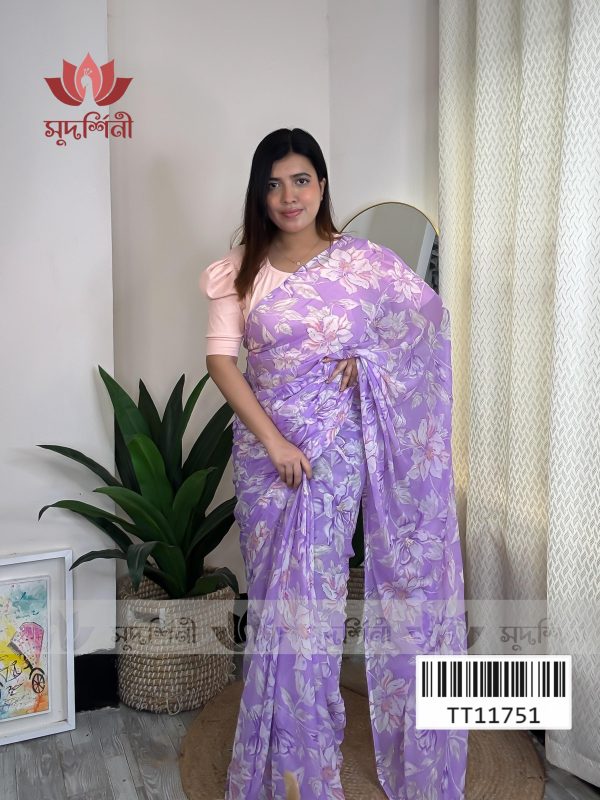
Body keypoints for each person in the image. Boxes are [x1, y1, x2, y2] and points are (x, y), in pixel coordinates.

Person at [199, 128, 468, 800]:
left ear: (321, 185)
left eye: (301, 180)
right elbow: (222, 363)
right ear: (259, 193)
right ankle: (282, 759)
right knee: (275, 602)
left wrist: (369, 357)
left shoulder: (362, 265)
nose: (287, 197)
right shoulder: (238, 270)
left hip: (333, 455)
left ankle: (307, 760)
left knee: (313, 610)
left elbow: (424, 326)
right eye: (273, 184)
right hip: (266, 459)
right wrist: (275, 443)